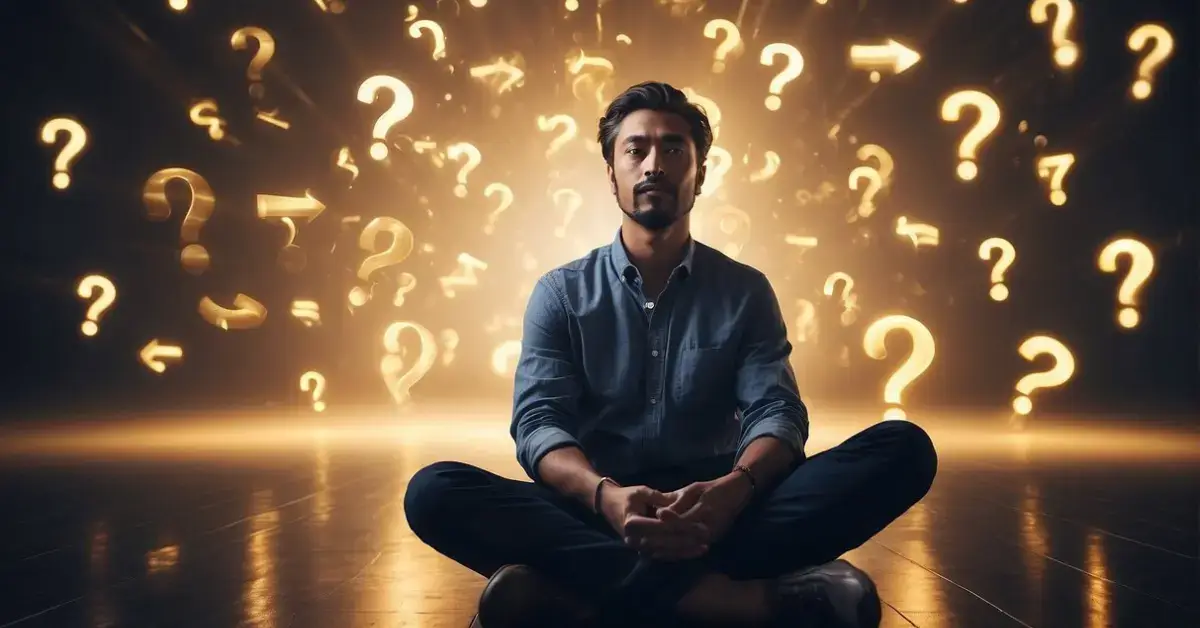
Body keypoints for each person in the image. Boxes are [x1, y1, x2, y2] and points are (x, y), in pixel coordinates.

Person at [404, 82, 938, 628]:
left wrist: (732, 492)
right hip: (598, 511)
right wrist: (607, 498)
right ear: (611, 173)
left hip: (720, 513)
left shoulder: (745, 291)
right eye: (635, 150)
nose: (654, 165)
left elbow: (775, 411)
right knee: (434, 491)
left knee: (905, 449)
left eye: (674, 149)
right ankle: (736, 603)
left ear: (699, 174)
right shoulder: (560, 293)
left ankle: (580, 599)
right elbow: (539, 422)